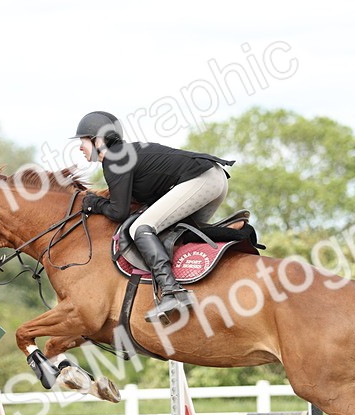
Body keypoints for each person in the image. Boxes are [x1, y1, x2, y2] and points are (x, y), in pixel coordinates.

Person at [73, 111, 234, 322]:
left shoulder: (114, 159)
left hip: (202, 179)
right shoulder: (122, 154)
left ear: (98, 140)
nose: (80, 147)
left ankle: (172, 292)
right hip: (212, 178)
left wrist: (94, 203)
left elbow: (118, 212)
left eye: (83, 141)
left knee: (140, 228)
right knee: (174, 236)